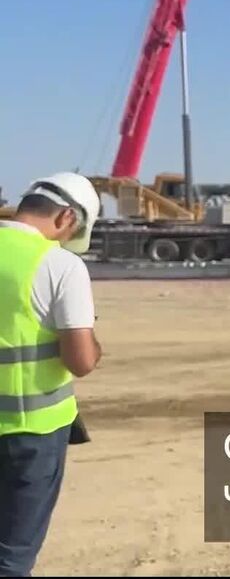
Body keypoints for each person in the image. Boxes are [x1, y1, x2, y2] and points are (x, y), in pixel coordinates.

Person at [0, 172, 103, 576]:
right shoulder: (60, 265)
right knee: (11, 557)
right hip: (32, 433)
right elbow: (81, 361)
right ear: (66, 218)